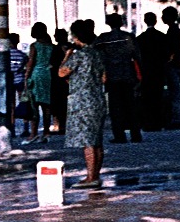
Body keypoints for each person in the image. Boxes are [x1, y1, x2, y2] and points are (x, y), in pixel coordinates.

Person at [58, 20, 107, 187]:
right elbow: (104, 78)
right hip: (97, 99)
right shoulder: (98, 54)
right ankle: (96, 175)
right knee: (97, 140)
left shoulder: (78, 55)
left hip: (82, 101)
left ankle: (90, 177)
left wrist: (66, 55)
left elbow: (61, 72)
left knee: (88, 142)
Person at [96, 11, 142, 143]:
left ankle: (119, 135)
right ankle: (136, 134)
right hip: (128, 74)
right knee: (131, 105)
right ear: (121, 23)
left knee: (116, 107)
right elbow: (138, 57)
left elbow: (95, 53)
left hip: (112, 75)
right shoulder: (129, 37)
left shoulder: (103, 39)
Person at [135, 11, 170, 132]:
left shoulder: (140, 39)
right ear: (155, 21)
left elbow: (137, 57)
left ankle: (148, 123)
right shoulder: (162, 37)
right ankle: (158, 122)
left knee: (146, 98)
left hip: (145, 71)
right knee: (158, 97)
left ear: (145, 21)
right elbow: (166, 55)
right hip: (158, 71)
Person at [24, 23, 54, 144]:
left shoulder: (35, 46)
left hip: (36, 74)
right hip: (48, 75)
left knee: (34, 104)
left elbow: (31, 62)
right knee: (47, 105)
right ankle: (46, 133)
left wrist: (26, 77)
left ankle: (33, 133)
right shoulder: (51, 46)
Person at [161, 6, 180, 128]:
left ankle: (177, 119)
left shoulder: (173, 31)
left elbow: (173, 50)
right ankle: (177, 118)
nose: (162, 18)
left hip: (172, 65)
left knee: (175, 93)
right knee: (175, 92)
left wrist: (169, 62)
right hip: (175, 64)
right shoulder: (174, 30)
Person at [49, 24, 72, 135]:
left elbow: (53, 63)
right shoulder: (69, 47)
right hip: (61, 79)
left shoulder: (60, 48)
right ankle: (60, 125)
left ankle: (61, 125)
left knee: (60, 103)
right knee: (61, 103)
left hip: (59, 78)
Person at [8, 32, 30, 137]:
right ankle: (26, 128)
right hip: (20, 80)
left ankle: (12, 129)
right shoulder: (22, 54)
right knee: (24, 103)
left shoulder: (6, 55)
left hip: (10, 82)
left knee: (11, 105)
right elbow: (27, 67)